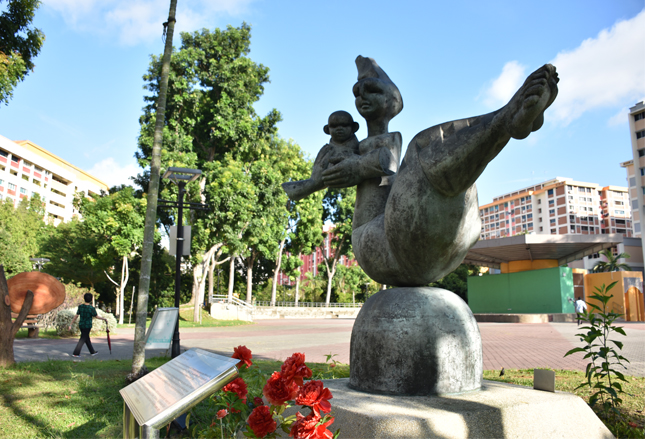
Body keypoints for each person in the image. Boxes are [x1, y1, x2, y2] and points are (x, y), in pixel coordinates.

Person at [311, 56, 558, 287]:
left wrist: (356, 167)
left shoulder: (388, 139)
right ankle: (506, 119)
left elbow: (386, 162)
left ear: (392, 101)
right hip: (375, 240)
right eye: (358, 94)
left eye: (372, 91)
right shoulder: (353, 146)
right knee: (422, 148)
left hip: (426, 238)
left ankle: (506, 118)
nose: (362, 99)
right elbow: (318, 180)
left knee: (438, 153)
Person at [282, 110, 360, 201]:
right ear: (327, 130)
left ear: (353, 127)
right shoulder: (326, 151)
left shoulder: (360, 148)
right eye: (334, 126)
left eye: (344, 125)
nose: (339, 129)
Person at [68, 293, 107, 358]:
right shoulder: (91, 308)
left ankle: (92, 352)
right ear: (91, 299)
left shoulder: (80, 307)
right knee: (83, 339)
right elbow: (96, 316)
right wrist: (104, 318)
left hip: (81, 325)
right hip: (88, 325)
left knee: (86, 338)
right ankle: (76, 353)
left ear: (84, 298)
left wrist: (70, 324)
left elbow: (76, 316)